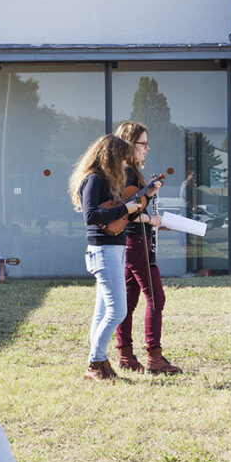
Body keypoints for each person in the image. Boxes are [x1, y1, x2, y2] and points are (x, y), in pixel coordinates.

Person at [69, 134, 149, 381]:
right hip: (103, 251)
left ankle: (99, 361)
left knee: (103, 310)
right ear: (111, 157)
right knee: (117, 311)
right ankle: (95, 362)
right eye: (122, 159)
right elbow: (91, 216)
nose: (125, 164)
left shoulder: (104, 180)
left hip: (112, 248)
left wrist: (135, 206)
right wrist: (125, 208)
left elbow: (116, 216)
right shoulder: (93, 179)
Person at [113, 121, 180, 374]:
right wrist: (151, 219)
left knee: (128, 301)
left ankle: (126, 355)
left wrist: (149, 194)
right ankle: (154, 358)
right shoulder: (129, 172)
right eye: (143, 143)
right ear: (130, 144)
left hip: (129, 243)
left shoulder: (121, 172)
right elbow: (128, 213)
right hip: (137, 242)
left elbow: (131, 206)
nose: (147, 148)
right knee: (156, 298)